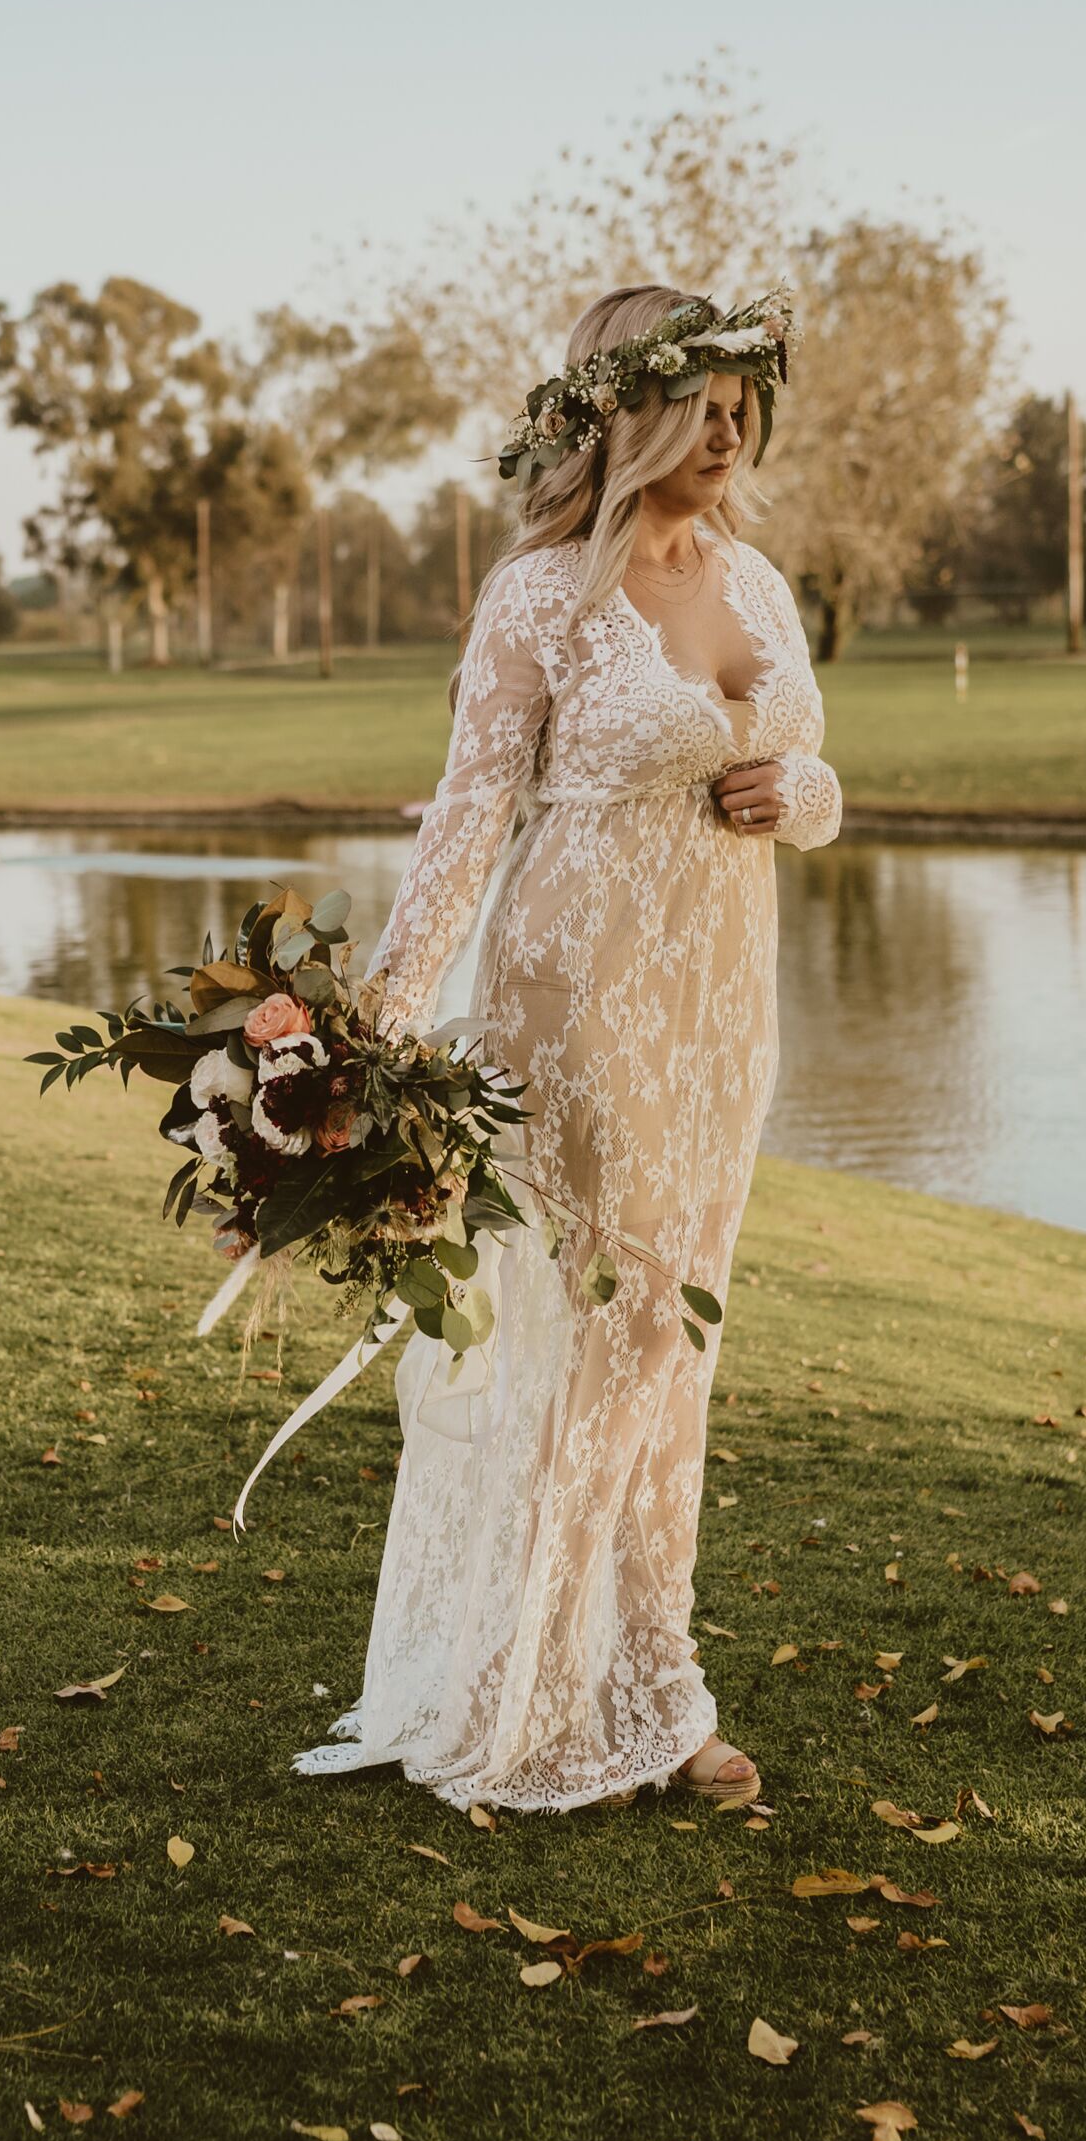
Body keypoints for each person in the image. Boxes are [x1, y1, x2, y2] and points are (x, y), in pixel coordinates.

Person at [295, 284, 843, 1814]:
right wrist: (372, 1041)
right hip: (582, 991)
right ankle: (572, 1689)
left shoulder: (763, 583)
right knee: (617, 1328)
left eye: (746, 406)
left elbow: (816, 775)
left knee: (687, 1331)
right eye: (704, 406)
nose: (730, 433)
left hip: (726, 1002)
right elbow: (466, 819)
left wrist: (795, 799)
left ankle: (647, 1666)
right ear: (627, 412)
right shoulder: (539, 597)